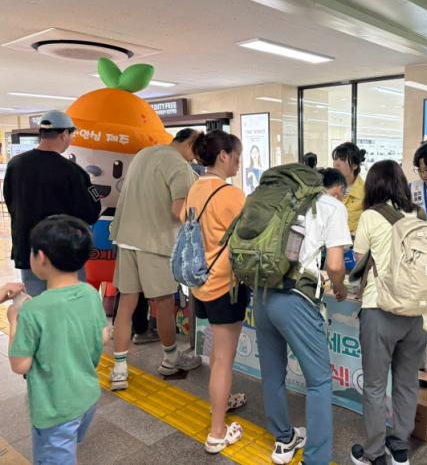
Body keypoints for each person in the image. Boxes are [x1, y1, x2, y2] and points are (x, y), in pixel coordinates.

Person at [254, 170, 351, 465]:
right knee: (319, 382)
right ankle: (315, 460)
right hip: (295, 298)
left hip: (261, 293)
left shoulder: (279, 200)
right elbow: (335, 264)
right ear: (337, 190)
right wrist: (339, 287)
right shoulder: (332, 206)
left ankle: (284, 439)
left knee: (273, 372)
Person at [7, 215, 108, 465]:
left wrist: (14, 321)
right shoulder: (90, 293)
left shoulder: (33, 310)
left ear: (41, 258)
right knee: (67, 444)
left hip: (54, 407)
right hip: (87, 396)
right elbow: (103, 335)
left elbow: (20, 365)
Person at [109, 128, 203, 390]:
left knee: (126, 303)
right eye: (197, 152)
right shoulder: (179, 165)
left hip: (126, 238)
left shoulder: (144, 154)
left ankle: (119, 370)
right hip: (156, 242)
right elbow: (179, 209)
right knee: (163, 304)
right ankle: (170, 360)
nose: (196, 158)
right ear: (190, 143)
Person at [351, 160, 427, 465]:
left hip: (379, 309)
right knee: (407, 383)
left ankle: (373, 453)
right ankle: (400, 450)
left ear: (373, 185)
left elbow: (359, 262)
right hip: (416, 314)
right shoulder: (419, 214)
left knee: (374, 385)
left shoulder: (370, 216)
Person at [185, 130, 250, 454]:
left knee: (217, 350)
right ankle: (217, 432)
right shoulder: (231, 194)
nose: (238, 163)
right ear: (223, 155)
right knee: (224, 358)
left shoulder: (195, 187)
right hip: (226, 284)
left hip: (200, 282)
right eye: (236, 157)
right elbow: (251, 234)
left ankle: (221, 402)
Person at [3, 110, 101, 297]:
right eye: (71, 135)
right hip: (64, 253)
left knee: (37, 303)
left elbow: (10, 202)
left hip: (29, 251)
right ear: (64, 134)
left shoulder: (16, 165)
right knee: (70, 305)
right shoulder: (74, 172)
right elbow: (91, 212)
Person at [333, 142, 367, 234]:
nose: (336, 163)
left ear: (355, 165)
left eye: (342, 159)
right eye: (335, 159)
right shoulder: (328, 187)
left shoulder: (364, 192)